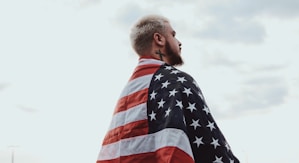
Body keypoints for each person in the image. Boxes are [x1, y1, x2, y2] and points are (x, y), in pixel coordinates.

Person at [96, 15, 240, 163]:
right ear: (159, 39)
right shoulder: (176, 80)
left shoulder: (127, 93)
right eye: (173, 35)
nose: (179, 42)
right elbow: (209, 146)